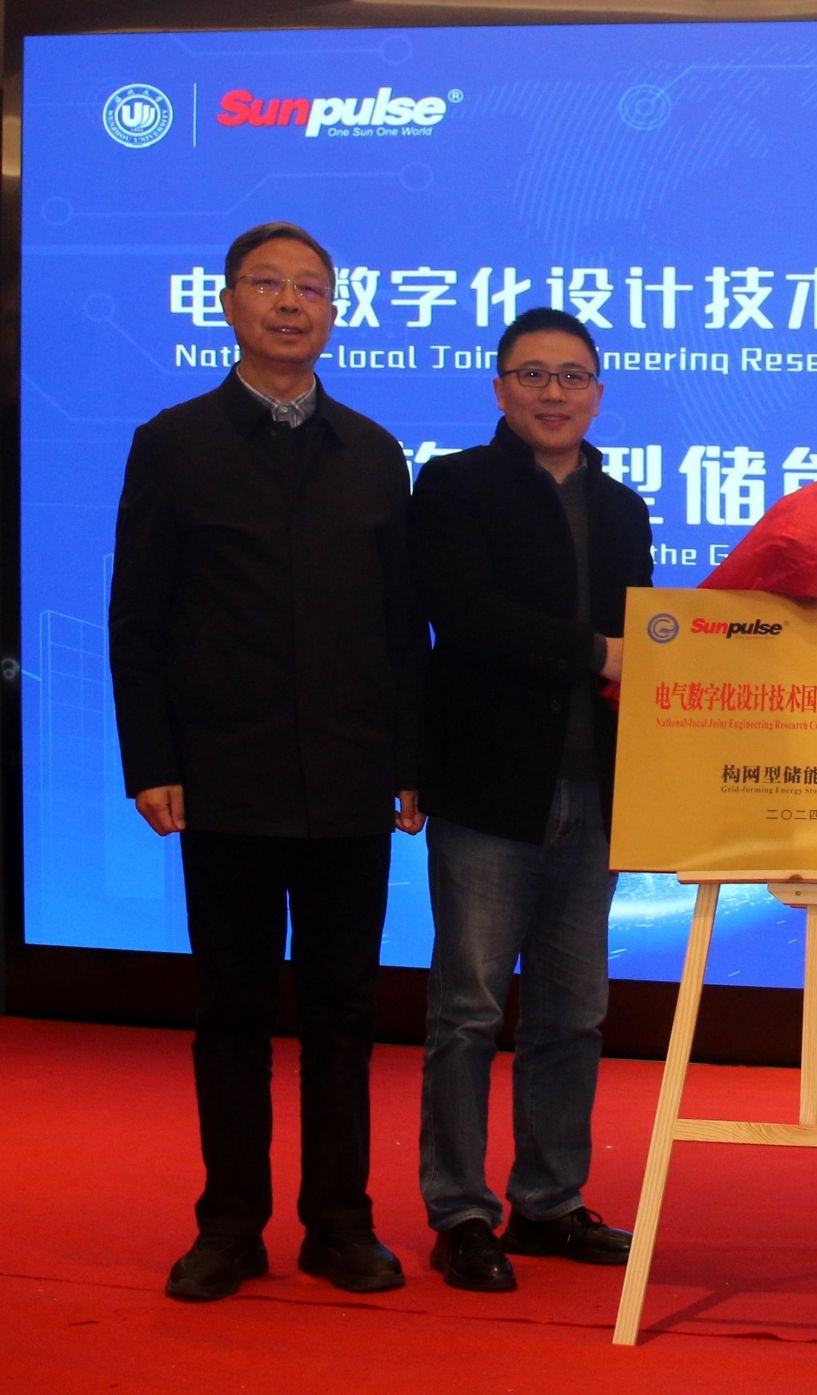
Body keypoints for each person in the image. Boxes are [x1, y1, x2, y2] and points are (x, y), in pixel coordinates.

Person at [108, 220, 424, 1302]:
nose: (292, 304)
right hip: (225, 776)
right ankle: (230, 1226)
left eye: (311, 289)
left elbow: (403, 626)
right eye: (269, 285)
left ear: (334, 312)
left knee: (344, 1014)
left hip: (349, 779)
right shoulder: (174, 442)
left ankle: (339, 1224)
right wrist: (150, 758)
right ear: (229, 304)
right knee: (233, 1013)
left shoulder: (372, 452)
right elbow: (138, 619)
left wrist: (409, 759)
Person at [411, 307, 652, 1290]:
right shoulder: (455, 485)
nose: (554, 393)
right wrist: (595, 652)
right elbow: (461, 614)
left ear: (597, 392)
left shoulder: (623, 506)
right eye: (533, 374)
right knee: (467, 1010)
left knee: (573, 1011)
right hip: (488, 787)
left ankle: (548, 1201)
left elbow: (648, 646)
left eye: (573, 376)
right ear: (500, 388)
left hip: (598, 791)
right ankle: (461, 1210)